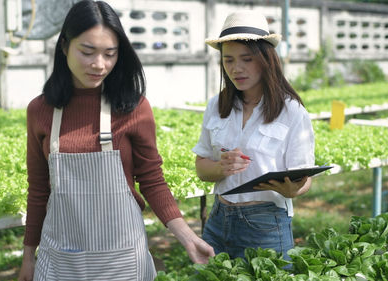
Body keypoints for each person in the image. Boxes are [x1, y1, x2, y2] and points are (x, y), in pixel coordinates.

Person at [18, 1, 214, 280]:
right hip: (62, 257)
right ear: (64, 47)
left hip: (121, 257)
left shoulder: (134, 108)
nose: (99, 65)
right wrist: (28, 256)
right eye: (87, 52)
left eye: (110, 54)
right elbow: (38, 188)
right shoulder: (41, 110)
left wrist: (187, 236)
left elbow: (151, 178)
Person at [192, 10, 315, 262]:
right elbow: (202, 168)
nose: (236, 68)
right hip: (218, 220)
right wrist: (220, 167)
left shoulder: (291, 111)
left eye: (246, 59)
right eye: (228, 60)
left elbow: (305, 176)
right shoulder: (217, 105)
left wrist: (293, 189)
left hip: (265, 224)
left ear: (265, 59)